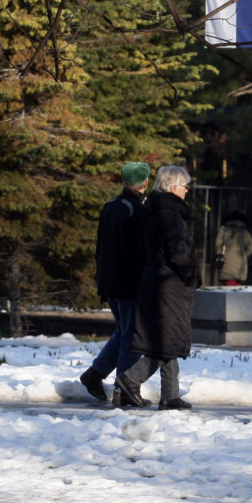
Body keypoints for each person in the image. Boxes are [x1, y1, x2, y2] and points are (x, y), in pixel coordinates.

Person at [115, 165, 197, 409]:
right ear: (173, 187)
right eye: (185, 186)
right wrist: (190, 274)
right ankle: (130, 379)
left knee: (168, 339)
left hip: (157, 281)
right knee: (166, 342)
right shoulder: (169, 214)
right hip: (168, 283)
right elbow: (177, 251)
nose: (187, 191)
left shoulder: (154, 209)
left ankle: (170, 395)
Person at [78, 162, 150, 403]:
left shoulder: (111, 206)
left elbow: (101, 247)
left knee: (123, 331)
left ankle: (95, 373)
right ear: (146, 182)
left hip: (109, 280)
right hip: (128, 282)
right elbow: (139, 250)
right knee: (132, 336)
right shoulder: (137, 210)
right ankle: (124, 387)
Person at [213, 211, 252, 286]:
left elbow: (217, 245)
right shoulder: (244, 231)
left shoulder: (224, 229)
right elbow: (250, 247)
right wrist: (244, 255)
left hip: (227, 262)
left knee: (228, 288)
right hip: (241, 263)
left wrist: (220, 254)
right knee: (237, 288)